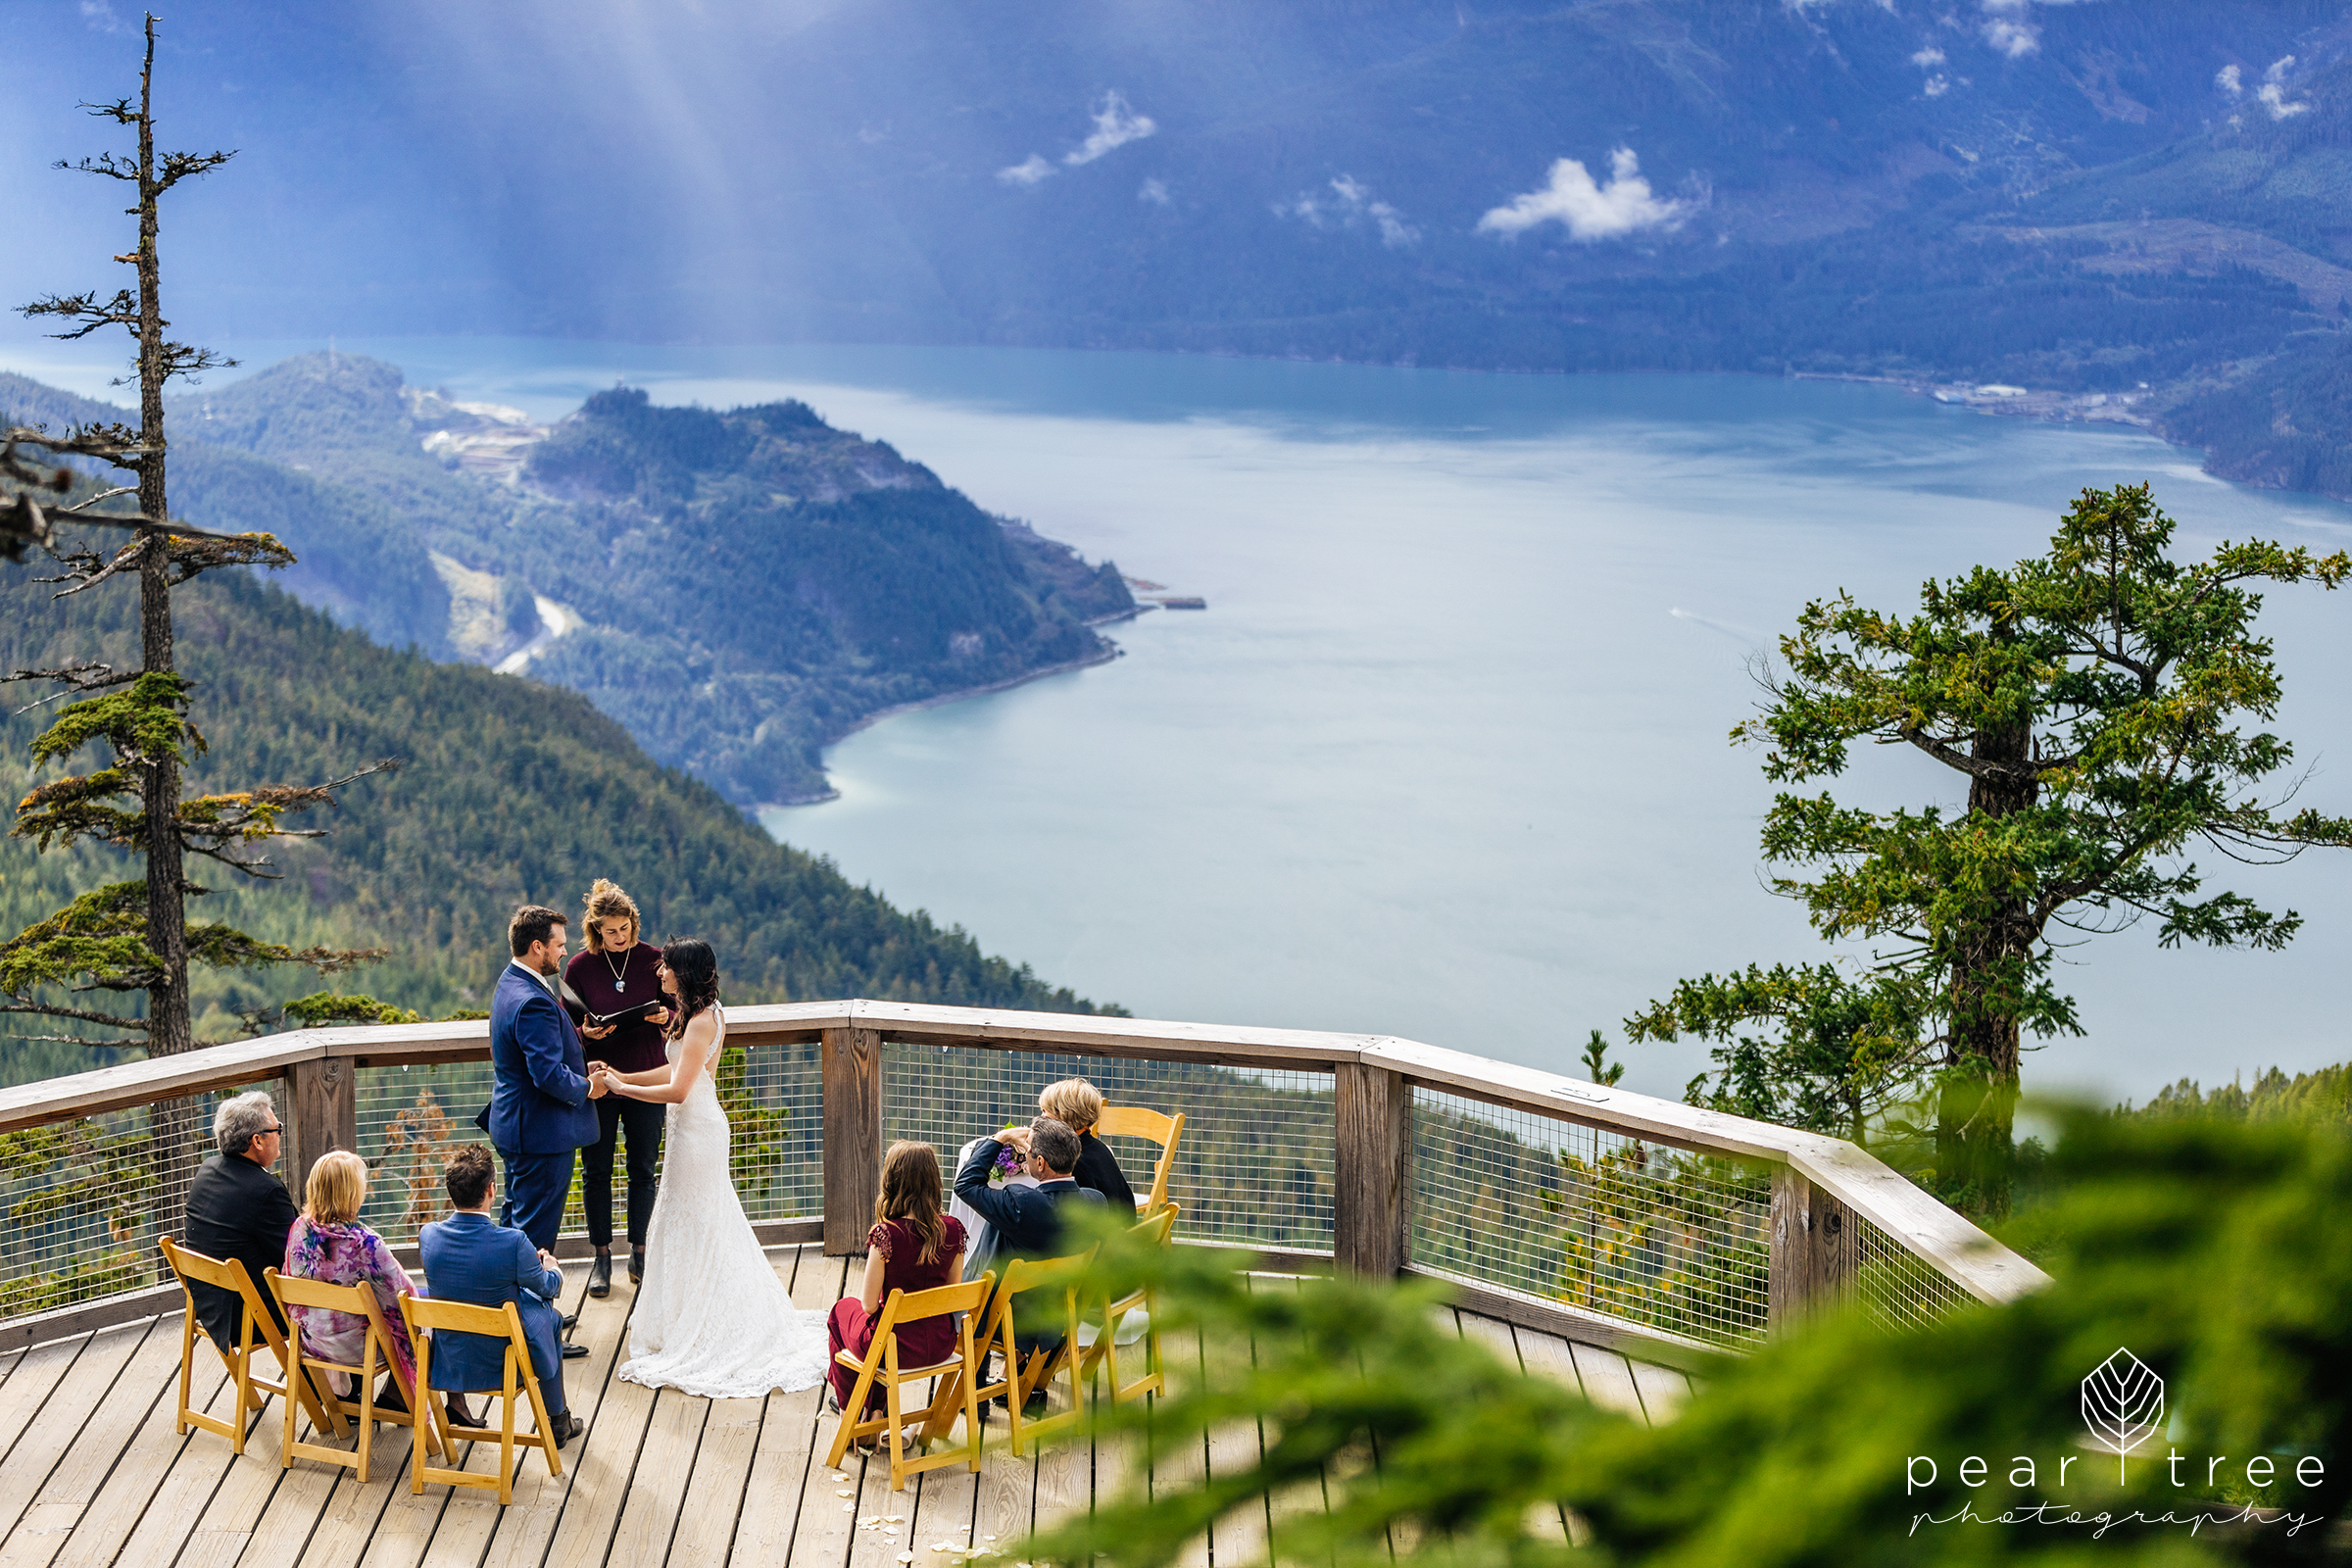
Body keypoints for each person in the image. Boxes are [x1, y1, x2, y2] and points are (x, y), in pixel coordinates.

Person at [589, 939, 827, 1397]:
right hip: (693, 1131)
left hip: (697, 1134)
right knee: (696, 1227)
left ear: (686, 973)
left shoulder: (700, 1022)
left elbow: (679, 1091)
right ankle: (688, 1315)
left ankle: (705, 1324)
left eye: (666, 968)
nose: (659, 973)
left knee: (698, 1226)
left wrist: (618, 1086)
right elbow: (675, 1074)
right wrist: (620, 1076)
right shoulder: (704, 1012)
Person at [417, 1145, 579, 1446]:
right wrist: (551, 1268)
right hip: (501, 1363)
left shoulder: (429, 1236)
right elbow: (547, 1287)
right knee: (552, 1319)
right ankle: (557, 1418)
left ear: (451, 1191)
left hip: (447, 1359)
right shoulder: (514, 1242)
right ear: (491, 1189)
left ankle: (558, 1419)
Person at [562, 879, 671, 1298]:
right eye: (611, 931)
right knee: (596, 1172)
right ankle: (601, 1257)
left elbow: (676, 1005)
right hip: (600, 1080)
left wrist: (665, 1016)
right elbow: (566, 1025)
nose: (620, 936)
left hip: (647, 1076)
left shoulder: (655, 960)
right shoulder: (579, 968)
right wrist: (586, 1030)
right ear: (596, 931)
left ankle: (639, 1253)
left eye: (625, 928)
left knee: (643, 1170)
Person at [488, 905, 605, 1257]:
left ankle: (506, 1308)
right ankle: (529, 1311)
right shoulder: (532, 1001)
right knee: (534, 1236)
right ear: (537, 947)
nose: (565, 951)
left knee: (514, 1226)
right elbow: (547, 1074)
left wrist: (578, 1042)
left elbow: (538, 1057)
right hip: (540, 1134)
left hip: (516, 1125)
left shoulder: (511, 982)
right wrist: (588, 1086)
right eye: (559, 944)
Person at [826, 1142, 966, 1417]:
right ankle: (876, 1409)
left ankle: (853, 1414)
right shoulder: (954, 1230)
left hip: (896, 1349)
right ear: (934, 1180)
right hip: (941, 1343)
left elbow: (868, 1305)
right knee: (878, 1329)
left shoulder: (886, 1234)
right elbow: (953, 1293)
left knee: (841, 1312)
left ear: (892, 1180)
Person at [283, 1150, 424, 1413]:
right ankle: (396, 1398)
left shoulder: (299, 1229)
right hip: (357, 1348)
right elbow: (403, 1296)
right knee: (426, 1324)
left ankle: (368, 1400)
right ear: (351, 1193)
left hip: (312, 1339)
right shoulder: (365, 1244)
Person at [954, 1116, 1108, 1322]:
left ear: (1041, 1162)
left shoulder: (1021, 1204)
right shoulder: (1097, 1202)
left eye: (1028, 1151)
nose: (1026, 1154)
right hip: (1056, 1319)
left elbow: (965, 1185)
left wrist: (999, 1139)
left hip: (1005, 1320)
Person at [183, 1090, 299, 1352]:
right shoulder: (266, 1191)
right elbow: (297, 1258)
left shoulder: (207, 1171)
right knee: (348, 1309)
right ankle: (338, 1392)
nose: (280, 1134)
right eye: (277, 1129)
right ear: (257, 1140)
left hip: (210, 1305)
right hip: (249, 1316)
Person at [1037, 1077, 1136, 1212]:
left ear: (1063, 1114)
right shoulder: (1099, 1147)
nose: (1041, 1118)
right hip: (1122, 1227)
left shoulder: (1072, 1161)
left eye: (1045, 1111)